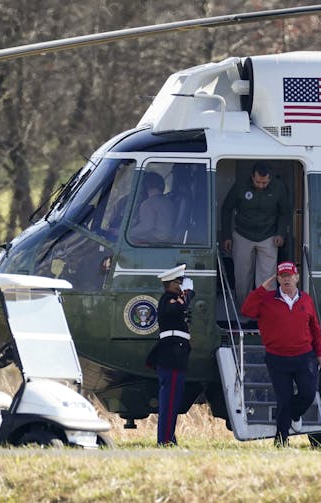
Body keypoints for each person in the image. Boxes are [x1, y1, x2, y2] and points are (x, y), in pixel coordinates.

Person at [241, 261, 321, 446]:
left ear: (296, 278)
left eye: (290, 276)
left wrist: (319, 353)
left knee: (308, 394)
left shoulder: (306, 300)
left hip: (304, 356)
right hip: (277, 358)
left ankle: (293, 414)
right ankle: (281, 440)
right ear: (278, 279)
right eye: (282, 276)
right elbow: (246, 310)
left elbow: (315, 328)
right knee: (284, 399)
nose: (287, 279)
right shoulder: (267, 299)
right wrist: (261, 289)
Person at [221, 162, 290, 310]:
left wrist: (281, 233)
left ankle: (265, 311)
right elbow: (226, 208)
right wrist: (227, 235)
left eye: (264, 182)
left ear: (270, 179)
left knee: (268, 278)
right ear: (252, 177)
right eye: (258, 182)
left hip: (269, 236)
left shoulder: (279, 188)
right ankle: (244, 310)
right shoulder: (240, 185)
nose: (261, 185)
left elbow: (285, 212)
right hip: (242, 234)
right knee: (242, 277)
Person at [145, 264, 195, 446]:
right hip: (171, 357)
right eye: (178, 282)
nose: (181, 285)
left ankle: (169, 438)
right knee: (169, 402)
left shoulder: (174, 299)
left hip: (177, 357)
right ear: (170, 284)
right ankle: (164, 440)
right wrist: (189, 293)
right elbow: (179, 308)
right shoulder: (168, 300)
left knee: (174, 402)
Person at [130, 171, 174, 243]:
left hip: (155, 241)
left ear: (144, 187)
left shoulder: (148, 203)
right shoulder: (168, 201)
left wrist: (127, 231)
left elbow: (146, 226)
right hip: (166, 240)